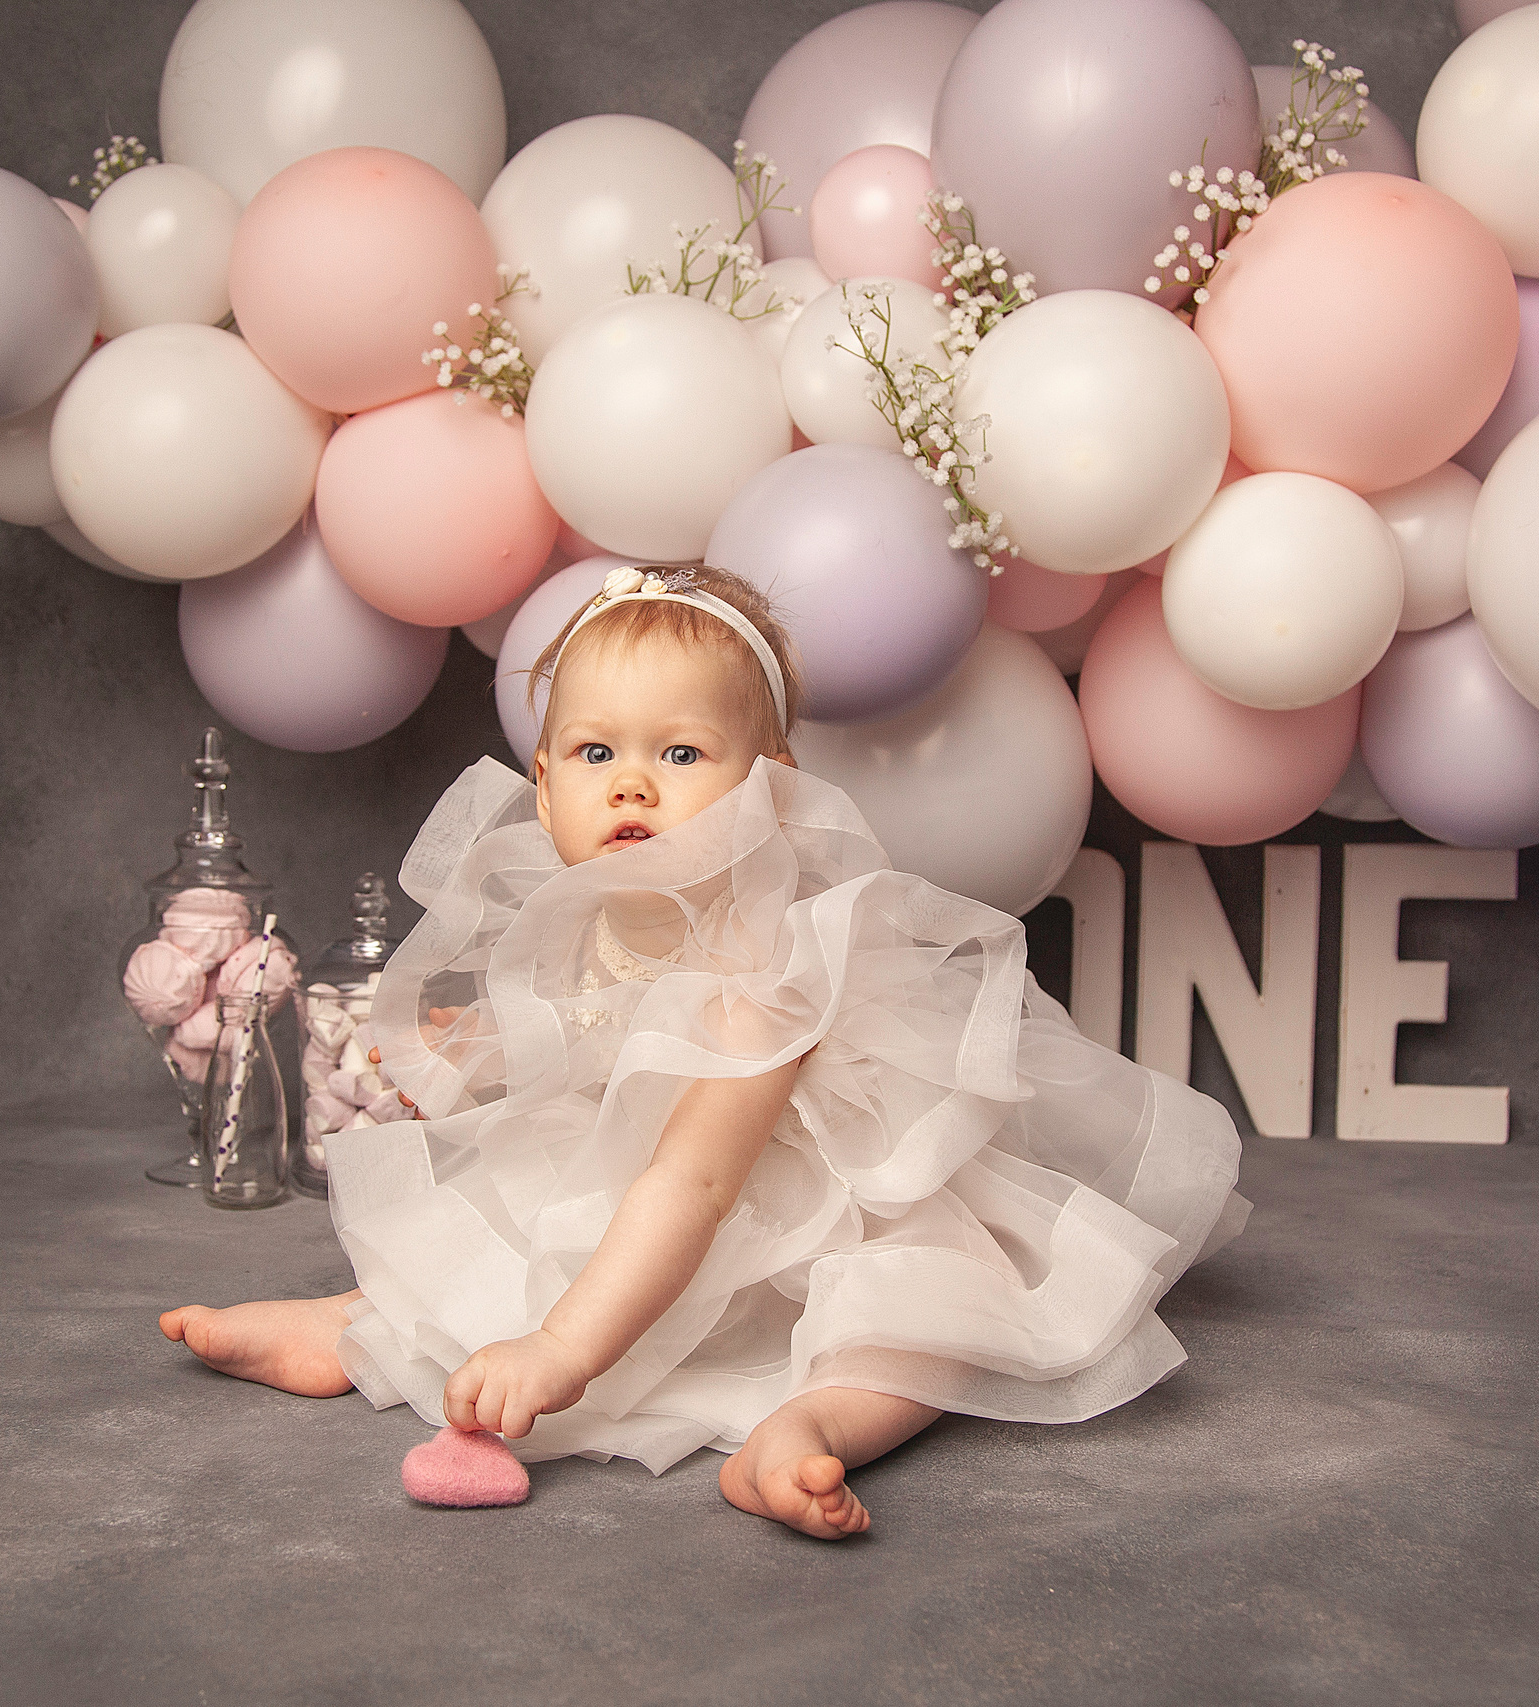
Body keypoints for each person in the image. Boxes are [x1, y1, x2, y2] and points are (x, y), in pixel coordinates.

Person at [162, 563, 1247, 1540]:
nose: (631, 784)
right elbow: (573, 1065)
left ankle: (808, 1423)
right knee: (503, 1227)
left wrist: (564, 1355)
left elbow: (694, 1182)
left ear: (767, 787)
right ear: (544, 789)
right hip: (641, 1199)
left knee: (925, 1327)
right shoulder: (576, 917)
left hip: (795, 1217)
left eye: (680, 753)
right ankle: (355, 1329)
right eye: (596, 753)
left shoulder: (763, 969)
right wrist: (473, 1059)